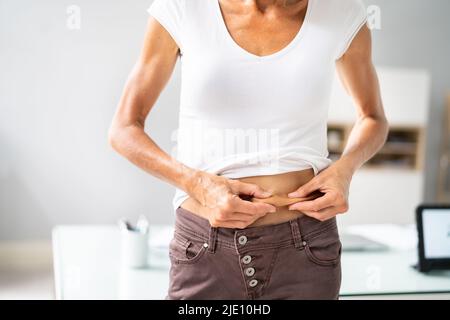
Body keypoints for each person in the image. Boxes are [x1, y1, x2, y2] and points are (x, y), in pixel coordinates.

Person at [109, 0, 388, 299]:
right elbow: (124, 129)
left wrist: (344, 170)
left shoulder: (342, 12)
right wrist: (196, 183)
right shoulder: (182, 7)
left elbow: (373, 117)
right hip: (205, 248)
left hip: (307, 251)